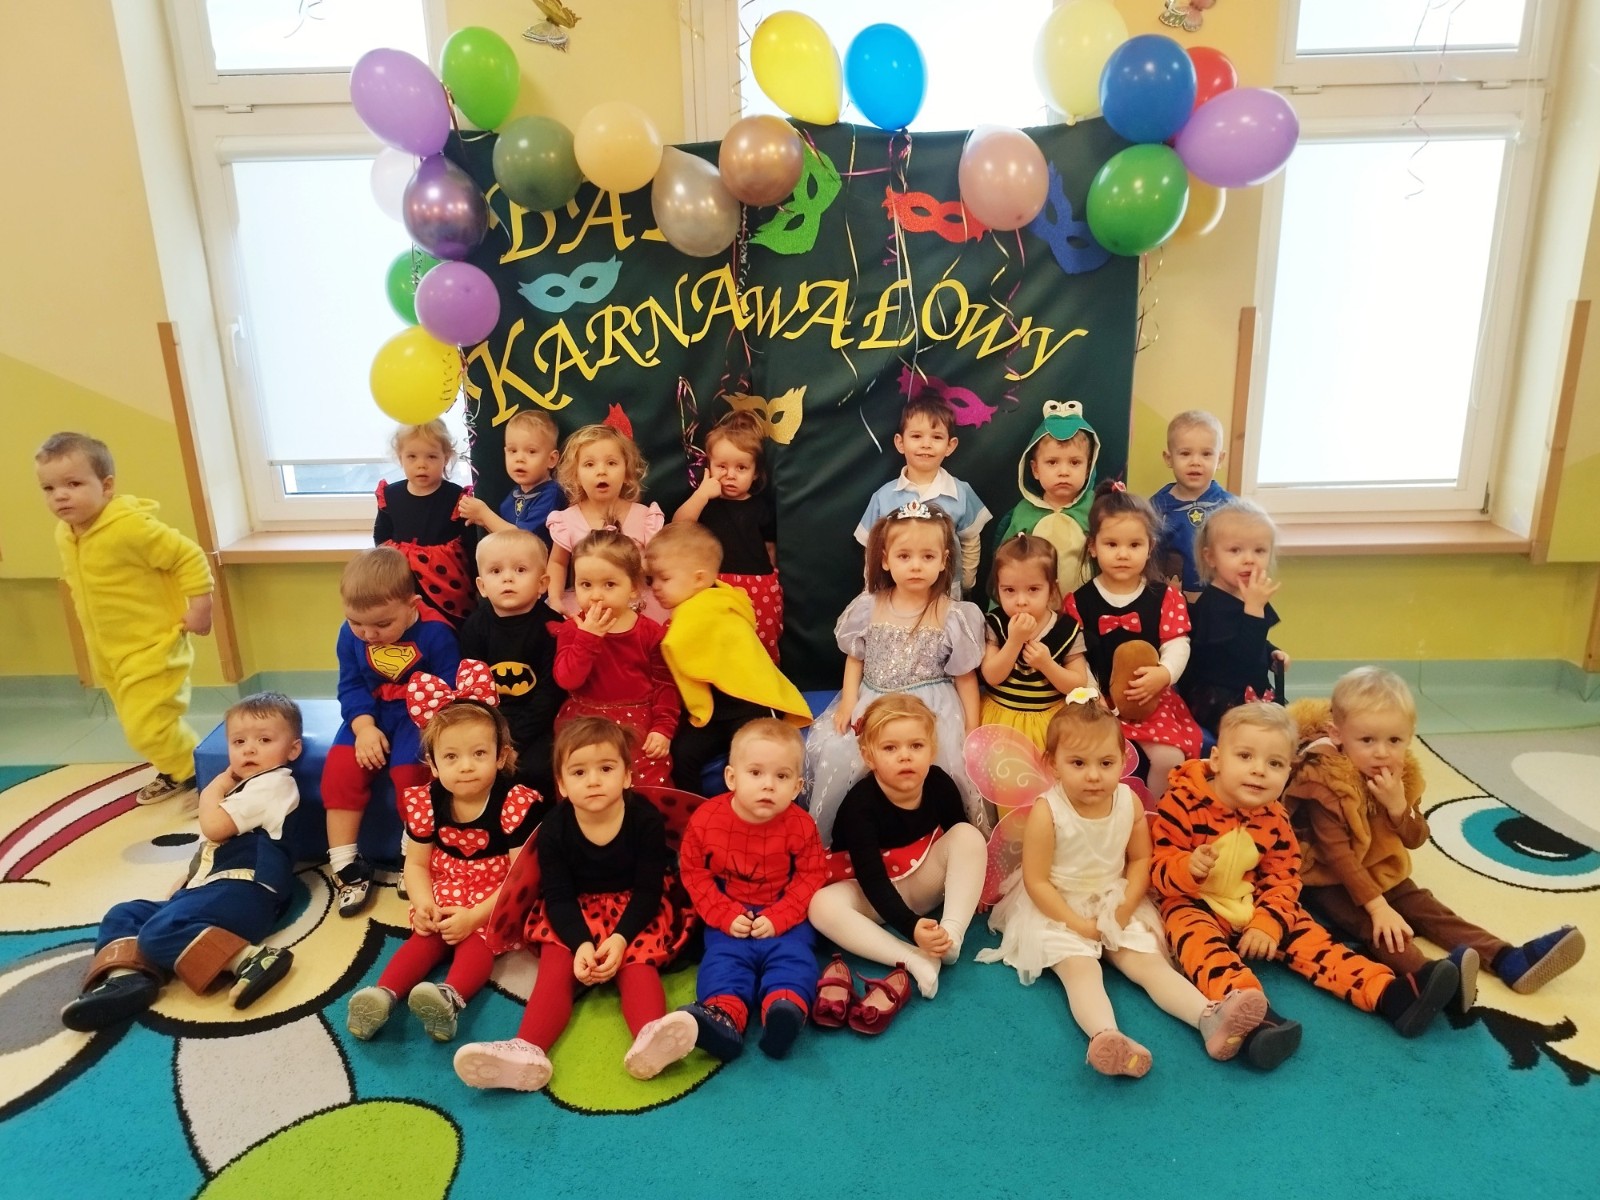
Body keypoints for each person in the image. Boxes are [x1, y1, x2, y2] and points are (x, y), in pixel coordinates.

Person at [1151, 703, 1460, 1072]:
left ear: (1288, 772)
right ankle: (1253, 1020)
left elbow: (1284, 878)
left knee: (1313, 939)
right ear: (1216, 760)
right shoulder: (1182, 800)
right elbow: (1158, 869)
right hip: (1193, 902)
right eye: (1245, 756)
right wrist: (1187, 867)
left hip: (1252, 900)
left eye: (1275, 763)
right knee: (1201, 948)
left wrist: (1269, 922)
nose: (1259, 770)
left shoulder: (1275, 818)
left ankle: (1391, 995)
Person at [977, 697, 1267, 1077]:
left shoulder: (1128, 802)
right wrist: (1078, 925)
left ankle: (1208, 1017)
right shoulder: (1048, 812)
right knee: (1081, 970)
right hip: (1057, 905)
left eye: (1106, 763)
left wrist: (1126, 906)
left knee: (1148, 964)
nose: (1093, 776)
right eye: (1078, 764)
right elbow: (1036, 881)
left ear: (1122, 760)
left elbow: (1140, 860)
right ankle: (1106, 1036)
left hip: (1114, 896)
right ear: (1053, 765)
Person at [1286, 667, 1585, 1008]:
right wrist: (1379, 907)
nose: (1382, 752)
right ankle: (1431, 979)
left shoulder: (1400, 775)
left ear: (1409, 737)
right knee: (1378, 927)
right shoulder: (1323, 780)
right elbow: (1337, 855)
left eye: (1394, 741)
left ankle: (1507, 959)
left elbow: (1416, 838)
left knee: (1428, 909)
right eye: (1367, 740)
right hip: (1330, 878)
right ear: (1337, 734)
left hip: (1379, 868)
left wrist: (1398, 807)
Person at [452, 718, 692, 1092]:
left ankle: (651, 1035)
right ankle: (528, 1048)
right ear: (562, 785)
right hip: (573, 910)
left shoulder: (644, 818)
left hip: (634, 908)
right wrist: (580, 943)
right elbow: (559, 896)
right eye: (579, 772)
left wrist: (620, 939)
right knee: (555, 967)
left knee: (638, 964)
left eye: (606, 769)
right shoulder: (555, 827)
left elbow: (648, 891)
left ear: (628, 776)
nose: (593, 780)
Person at [60, 693, 303, 1030]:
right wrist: (191, 880)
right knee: (125, 913)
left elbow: (214, 828)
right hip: (215, 890)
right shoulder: (247, 788)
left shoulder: (274, 785)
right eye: (239, 742)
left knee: (159, 931)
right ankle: (127, 979)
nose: (249, 750)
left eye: (264, 740)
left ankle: (251, 959)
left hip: (249, 894)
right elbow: (213, 848)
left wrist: (213, 787)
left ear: (293, 749)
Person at [346, 667, 541, 1043]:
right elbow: (417, 863)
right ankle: (382, 995)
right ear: (433, 765)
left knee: (477, 942)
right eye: (451, 757)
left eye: (479, 753)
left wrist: (475, 916)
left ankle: (449, 999)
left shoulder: (514, 803)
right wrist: (424, 905)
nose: (465, 765)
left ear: (500, 757)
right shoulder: (427, 801)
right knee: (425, 937)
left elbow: (522, 878)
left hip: (496, 895)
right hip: (446, 887)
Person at [625, 719, 825, 1074]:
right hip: (728, 917)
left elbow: (811, 875)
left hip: (785, 917)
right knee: (721, 964)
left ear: (797, 787)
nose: (768, 785)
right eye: (756, 773)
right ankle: (724, 1019)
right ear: (731, 778)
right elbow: (694, 872)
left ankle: (784, 1009)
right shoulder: (706, 819)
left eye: (781, 777)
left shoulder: (801, 825)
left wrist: (780, 916)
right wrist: (723, 913)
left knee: (795, 960)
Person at [37, 431, 215, 805]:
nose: (60, 496)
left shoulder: (130, 527)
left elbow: (187, 555)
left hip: (153, 644)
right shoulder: (65, 534)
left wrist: (201, 606)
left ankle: (205, 776)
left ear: (106, 486)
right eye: (49, 488)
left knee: (146, 726)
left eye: (73, 484)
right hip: (109, 652)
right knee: (141, 722)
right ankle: (176, 769)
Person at [804, 503, 986, 845]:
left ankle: (933, 843)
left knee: (938, 763)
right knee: (844, 754)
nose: (916, 565)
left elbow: (965, 677)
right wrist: (849, 702)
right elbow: (855, 659)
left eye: (927, 557)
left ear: (944, 560)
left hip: (931, 707)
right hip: (875, 701)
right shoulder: (869, 606)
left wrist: (971, 728)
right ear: (886, 560)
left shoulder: (954, 615)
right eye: (904, 556)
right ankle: (856, 839)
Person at [809, 695, 987, 1014]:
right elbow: (872, 880)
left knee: (968, 834)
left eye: (916, 746)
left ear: (932, 750)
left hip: (923, 881)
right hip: (871, 892)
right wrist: (912, 927)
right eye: (890, 748)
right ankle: (911, 957)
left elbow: (959, 844)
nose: (905, 756)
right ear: (869, 756)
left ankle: (950, 937)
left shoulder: (939, 784)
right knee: (820, 906)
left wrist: (973, 888)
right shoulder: (860, 806)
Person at [322, 547, 461, 918]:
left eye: (382, 625)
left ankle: (411, 859)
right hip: (368, 712)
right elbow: (350, 685)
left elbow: (447, 690)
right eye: (356, 623)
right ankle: (345, 865)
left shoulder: (436, 633)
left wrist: (428, 724)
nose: (369, 634)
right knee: (339, 770)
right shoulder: (349, 634)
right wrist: (363, 726)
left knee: (410, 772)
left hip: (421, 714)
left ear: (411, 604)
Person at [644, 522, 811, 795]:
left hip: (749, 705)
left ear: (699, 579)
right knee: (683, 753)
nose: (655, 588)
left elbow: (677, 647)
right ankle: (697, 810)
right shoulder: (691, 611)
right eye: (651, 580)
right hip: (713, 712)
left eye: (665, 578)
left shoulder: (715, 608)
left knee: (758, 754)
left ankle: (764, 809)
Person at [1065, 482, 1202, 801]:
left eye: (1134, 544)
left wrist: (1164, 674)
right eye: (1112, 544)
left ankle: (1153, 816)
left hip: (1152, 700)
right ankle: (1102, 810)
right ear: (1093, 546)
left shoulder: (1165, 597)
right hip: (1097, 701)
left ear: (1150, 546)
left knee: (1170, 758)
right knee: (1087, 754)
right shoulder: (1078, 602)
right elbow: (1076, 657)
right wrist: (1092, 694)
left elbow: (1177, 644)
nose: (1123, 554)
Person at [551, 530, 678, 790]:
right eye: (586, 585)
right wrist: (588, 638)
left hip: (637, 723)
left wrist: (663, 728)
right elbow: (567, 679)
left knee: (646, 782)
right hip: (584, 722)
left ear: (634, 588)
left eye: (609, 584)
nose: (596, 595)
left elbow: (666, 685)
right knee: (585, 782)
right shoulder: (573, 630)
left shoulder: (650, 633)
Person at [457, 529, 564, 807]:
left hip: (538, 721)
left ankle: (539, 823)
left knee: (538, 767)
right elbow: (472, 690)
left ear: (542, 583)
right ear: (482, 586)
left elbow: (550, 693)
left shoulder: (551, 628)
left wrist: (516, 739)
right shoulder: (475, 627)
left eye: (520, 570)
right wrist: (496, 735)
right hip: (490, 719)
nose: (507, 578)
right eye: (496, 571)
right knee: (479, 766)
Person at [672, 410, 783, 660]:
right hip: (714, 585)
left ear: (755, 472)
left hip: (758, 587)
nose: (730, 475)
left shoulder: (761, 507)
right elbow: (678, 525)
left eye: (741, 467)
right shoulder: (704, 503)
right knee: (716, 648)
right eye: (721, 466)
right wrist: (702, 494)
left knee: (760, 646)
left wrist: (770, 583)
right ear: (709, 467)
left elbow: (770, 548)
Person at [854, 395, 991, 595]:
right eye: (917, 436)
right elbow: (871, 547)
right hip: (895, 592)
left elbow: (970, 540)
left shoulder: (961, 492)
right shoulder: (883, 496)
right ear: (900, 442)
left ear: (950, 445)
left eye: (936, 437)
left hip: (945, 593)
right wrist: (871, 587)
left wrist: (967, 581)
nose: (926, 444)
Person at [1178, 499, 1289, 733]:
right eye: (1235, 550)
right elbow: (1241, 657)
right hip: (1219, 697)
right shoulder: (1212, 605)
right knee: (1259, 733)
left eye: (1259, 550)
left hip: (1251, 688)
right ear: (1210, 557)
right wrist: (1254, 609)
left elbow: (1254, 640)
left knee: (1285, 728)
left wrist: (1271, 652)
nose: (1249, 559)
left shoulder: (1248, 594)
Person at [544, 423, 666, 621]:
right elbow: (558, 562)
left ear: (627, 473)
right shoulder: (567, 520)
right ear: (576, 476)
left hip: (637, 608)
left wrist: (640, 566)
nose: (601, 471)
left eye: (611, 463)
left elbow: (659, 562)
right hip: (588, 607)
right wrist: (555, 598)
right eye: (589, 464)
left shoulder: (645, 517)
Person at [979, 533, 1088, 750]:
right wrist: (1014, 642)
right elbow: (991, 676)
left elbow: (1078, 684)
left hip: (1047, 723)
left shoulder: (1067, 629)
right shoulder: (995, 623)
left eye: (1033, 589)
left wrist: (1046, 664)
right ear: (998, 588)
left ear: (1052, 589)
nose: (1021, 601)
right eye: (1009, 590)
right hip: (1000, 721)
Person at [993, 399, 1100, 597]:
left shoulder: (1097, 510)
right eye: (1052, 462)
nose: (1063, 472)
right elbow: (1005, 567)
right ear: (1035, 469)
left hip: (1086, 607)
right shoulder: (1023, 514)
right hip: (1033, 608)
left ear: (1088, 468)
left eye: (1075, 462)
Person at [375, 420, 475, 626]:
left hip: (445, 585)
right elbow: (381, 537)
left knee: (448, 629)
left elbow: (471, 545)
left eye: (431, 456)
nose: (421, 464)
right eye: (412, 456)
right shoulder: (391, 495)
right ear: (400, 457)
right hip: (403, 581)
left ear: (446, 457)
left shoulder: (456, 497)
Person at [1150, 410, 1234, 600]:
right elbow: (1148, 557)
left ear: (1220, 459)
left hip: (1219, 601)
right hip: (1171, 603)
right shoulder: (1156, 507)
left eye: (1206, 454)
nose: (1195, 462)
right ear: (1169, 458)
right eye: (1185, 453)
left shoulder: (1230, 508)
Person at [457, 408, 563, 545]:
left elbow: (523, 540)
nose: (519, 459)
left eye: (531, 451)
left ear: (551, 459)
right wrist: (482, 520)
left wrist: (484, 514)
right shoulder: (515, 493)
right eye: (513, 451)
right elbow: (503, 534)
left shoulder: (551, 495)